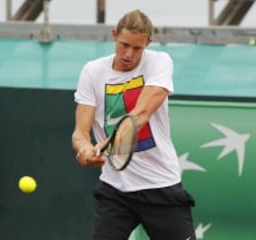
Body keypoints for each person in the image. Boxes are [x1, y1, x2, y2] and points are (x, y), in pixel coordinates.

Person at [72, 9, 196, 240]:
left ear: (148, 42)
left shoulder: (159, 62)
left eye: (137, 48)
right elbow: (80, 132)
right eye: (124, 44)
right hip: (115, 191)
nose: (128, 54)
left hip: (161, 186)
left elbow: (140, 115)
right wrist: (84, 149)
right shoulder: (92, 71)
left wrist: (108, 145)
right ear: (114, 35)